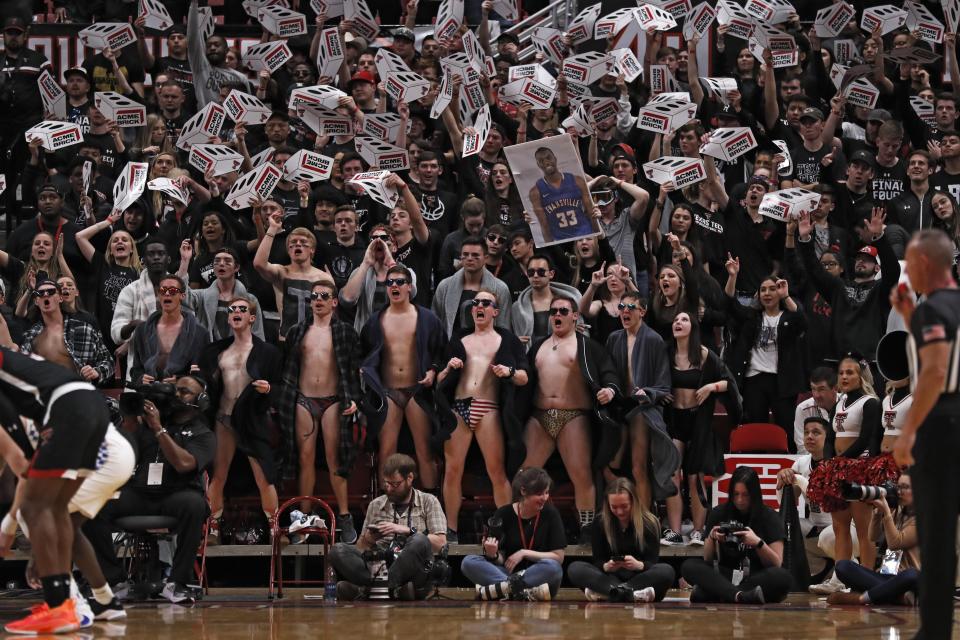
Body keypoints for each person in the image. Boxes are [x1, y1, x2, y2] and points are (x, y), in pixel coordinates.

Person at [0, 348, 109, 633]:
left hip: (68, 406)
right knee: (56, 506)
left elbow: (8, 420)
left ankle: (58, 605)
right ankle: (63, 606)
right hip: (91, 405)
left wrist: (18, 454)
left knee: (34, 507)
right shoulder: (19, 368)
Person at [84, 377, 215, 606]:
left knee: (195, 505)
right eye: (175, 389)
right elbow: (120, 453)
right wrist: (130, 422)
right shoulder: (147, 422)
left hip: (177, 493)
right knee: (91, 504)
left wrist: (158, 429)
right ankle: (115, 580)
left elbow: (184, 465)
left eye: (184, 392)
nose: (176, 394)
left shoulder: (202, 433)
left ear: (200, 402)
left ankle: (177, 583)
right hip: (141, 493)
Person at [891, 228, 960, 639]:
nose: (907, 273)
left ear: (926, 265)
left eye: (910, 264)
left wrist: (907, 432)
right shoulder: (947, 306)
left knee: (935, 533)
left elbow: (935, 371)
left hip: (940, 422)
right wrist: (908, 318)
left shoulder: (933, 308)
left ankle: (933, 632)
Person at [521, 294, 622, 543]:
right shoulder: (538, 346)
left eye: (563, 311)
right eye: (553, 311)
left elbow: (609, 371)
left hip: (573, 415)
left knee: (582, 476)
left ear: (575, 316)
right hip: (540, 416)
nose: (557, 315)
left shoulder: (587, 346)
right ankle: (524, 525)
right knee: (524, 476)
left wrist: (609, 389)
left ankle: (587, 529)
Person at [435, 289, 529, 543]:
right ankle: (451, 530)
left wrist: (508, 372)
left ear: (495, 312)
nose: (479, 306)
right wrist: (448, 368)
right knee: (453, 470)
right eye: (475, 302)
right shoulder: (459, 339)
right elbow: (439, 379)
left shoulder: (507, 339)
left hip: (488, 407)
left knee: (497, 471)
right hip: (458, 406)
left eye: (486, 303)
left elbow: (524, 377)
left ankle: (505, 529)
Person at [277, 279, 363, 544]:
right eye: (315, 296)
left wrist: (355, 399)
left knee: (335, 458)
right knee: (305, 458)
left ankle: (345, 515)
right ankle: (304, 516)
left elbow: (353, 370)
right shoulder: (297, 331)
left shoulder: (346, 332)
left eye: (324, 296)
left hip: (333, 400)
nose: (319, 300)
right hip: (303, 399)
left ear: (334, 302)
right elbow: (287, 369)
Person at [199, 296, 282, 545]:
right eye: (232, 309)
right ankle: (213, 529)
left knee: (264, 476)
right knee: (218, 475)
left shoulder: (267, 352)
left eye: (242, 309)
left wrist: (268, 390)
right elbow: (204, 383)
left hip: (251, 419)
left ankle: (275, 528)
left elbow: (281, 386)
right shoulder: (216, 351)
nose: (236, 312)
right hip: (223, 418)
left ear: (252, 318)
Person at [361, 265, 446, 489]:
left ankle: (431, 505)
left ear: (410, 287)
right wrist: (366, 370)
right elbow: (365, 352)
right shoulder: (375, 320)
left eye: (399, 282)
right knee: (386, 450)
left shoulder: (427, 318)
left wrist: (433, 370)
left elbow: (441, 350)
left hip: (416, 390)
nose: (394, 286)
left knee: (424, 450)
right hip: (387, 391)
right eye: (390, 283)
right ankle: (384, 506)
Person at [662, 312, 740, 546]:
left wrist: (711, 387)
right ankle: (675, 530)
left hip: (698, 421)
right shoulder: (666, 352)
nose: (678, 322)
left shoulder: (705, 355)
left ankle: (698, 529)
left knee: (695, 476)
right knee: (674, 474)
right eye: (675, 320)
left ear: (693, 327)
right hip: (674, 420)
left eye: (684, 320)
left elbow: (730, 382)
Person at [327, 454, 447, 601]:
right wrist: (369, 540)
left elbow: (441, 543)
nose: (389, 489)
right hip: (381, 564)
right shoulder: (376, 505)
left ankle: (370, 589)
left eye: (395, 484)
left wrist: (407, 531)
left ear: (409, 478)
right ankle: (391, 590)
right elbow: (360, 548)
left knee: (419, 540)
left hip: (414, 567)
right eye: (386, 483)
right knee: (337, 550)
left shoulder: (429, 501)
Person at [724, 256, 807, 450]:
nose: (767, 293)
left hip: (783, 381)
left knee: (786, 428)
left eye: (772, 289)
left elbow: (803, 322)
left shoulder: (788, 316)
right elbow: (729, 304)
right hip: (755, 379)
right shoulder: (751, 317)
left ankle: (789, 470)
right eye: (763, 290)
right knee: (756, 428)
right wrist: (732, 276)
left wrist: (787, 296)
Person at [603, 292, 677, 508]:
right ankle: (623, 508)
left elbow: (664, 385)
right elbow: (608, 374)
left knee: (638, 467)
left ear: (642, 312)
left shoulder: (654, 339)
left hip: (642, 409)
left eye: (631, 307)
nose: (625, 311)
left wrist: (649, 393)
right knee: (608, 463)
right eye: (622, 306)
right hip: (618, 407)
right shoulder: (614, 338)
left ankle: (645, 522)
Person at [681, 466, 792, 604]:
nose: (740, 500)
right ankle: (740, 596)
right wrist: (711, 538)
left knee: (782, 577)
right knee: (689, 565)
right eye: (736, 494)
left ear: (754, 494)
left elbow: (776, 563)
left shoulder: (769, 517)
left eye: (745, 495)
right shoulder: (719, 513)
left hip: (756, 576)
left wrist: (758, 543)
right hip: (725, 574)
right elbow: (708, 559)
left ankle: (717, 593)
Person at [461, 467, 565, 601]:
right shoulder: (504, 513)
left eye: (546, 492)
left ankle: (498, 590)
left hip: (539, 575)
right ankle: (523, 591)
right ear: (523, 491)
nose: (544, 498)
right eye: (539, 494)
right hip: (507, 573)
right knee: (468, 562)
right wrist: (493, 554)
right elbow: (500, 560)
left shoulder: (551, 514)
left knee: (554, 568)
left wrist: (524, 552)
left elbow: (558, 557)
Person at [567, 478, 675, 602]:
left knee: (667, 571)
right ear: (608, 505)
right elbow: (598, 560)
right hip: (610, 578)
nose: (619, 511)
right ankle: (627, 594)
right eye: (614, 507)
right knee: (575, 568)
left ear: (634, 502)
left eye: (624, 506)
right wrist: (606, 566)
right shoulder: (600, 522)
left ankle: (614, 592)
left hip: (640, 578)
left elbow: (652, 562)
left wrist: (639, 565)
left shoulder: (650, 523)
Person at [827, 473, 919, 607]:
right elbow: (873, 537)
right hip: (889, 577)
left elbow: (895, 543)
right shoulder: (898, 512)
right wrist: (877, 512)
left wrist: (886, 513)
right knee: (843, 566)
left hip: (912, 581)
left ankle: (861, 599)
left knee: (911, 575)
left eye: (905, 487)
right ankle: (898, 598)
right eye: (898, 487)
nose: (899, 492)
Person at [18, 276, 113, 386]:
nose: (45, 295)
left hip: (82, 393)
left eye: (51, 291)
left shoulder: (84, 328)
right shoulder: (31, 336)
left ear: (60, 298)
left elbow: (108, 361)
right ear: (36, 301)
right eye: (41, 293)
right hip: (47, 395)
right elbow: (22, 370)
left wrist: (97, 372)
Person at [253, 207, 329, 341]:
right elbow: (259, 264)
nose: (298, 244)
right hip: (287, 340)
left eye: (303, 242)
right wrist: (272, 229)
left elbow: (331, 313)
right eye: (293, 243)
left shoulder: (323, 277)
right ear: (288, 250)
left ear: (312, 250)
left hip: (316, 341)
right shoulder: (281, 273)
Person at [129, 275, 210, 385]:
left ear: (182, 296)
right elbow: (136, 369)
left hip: (182, 396)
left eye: (172, 291)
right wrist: (140, 379)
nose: (167, 294)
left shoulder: (200, 333)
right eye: (163, 291)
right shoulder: (142, 330)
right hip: (149, 394)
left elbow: (203, 373)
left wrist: (181, 380)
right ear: (158, 295)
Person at [433, 237, 513, 337]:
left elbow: (504, 327)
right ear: (460, 257)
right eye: (465, 255)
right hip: (451, 348)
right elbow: (435, 325)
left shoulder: (500, 289)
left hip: (488, 348)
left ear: (486, 258)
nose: (470, 258)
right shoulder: (444, 286)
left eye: (475, 255)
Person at [528, 146, 598, 243]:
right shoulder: (535, 191)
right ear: (538, 164)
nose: (546, 162)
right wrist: (552, 248)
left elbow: (591, 213)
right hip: (561, 240)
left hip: (584, 234)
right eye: (541, 160)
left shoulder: (577, 181)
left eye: (548, 157)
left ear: (555, 159)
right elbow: (544, 225)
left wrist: (598, 236)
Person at [512, 254, 582, 346]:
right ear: (526, 274)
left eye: (541, 271)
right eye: (531, 272)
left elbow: (583, 333)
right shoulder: (517, 308)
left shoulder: (568, 303)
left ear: (551, 274)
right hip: (529, 357)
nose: (535, 275)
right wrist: (515, 342)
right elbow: (509, 338)